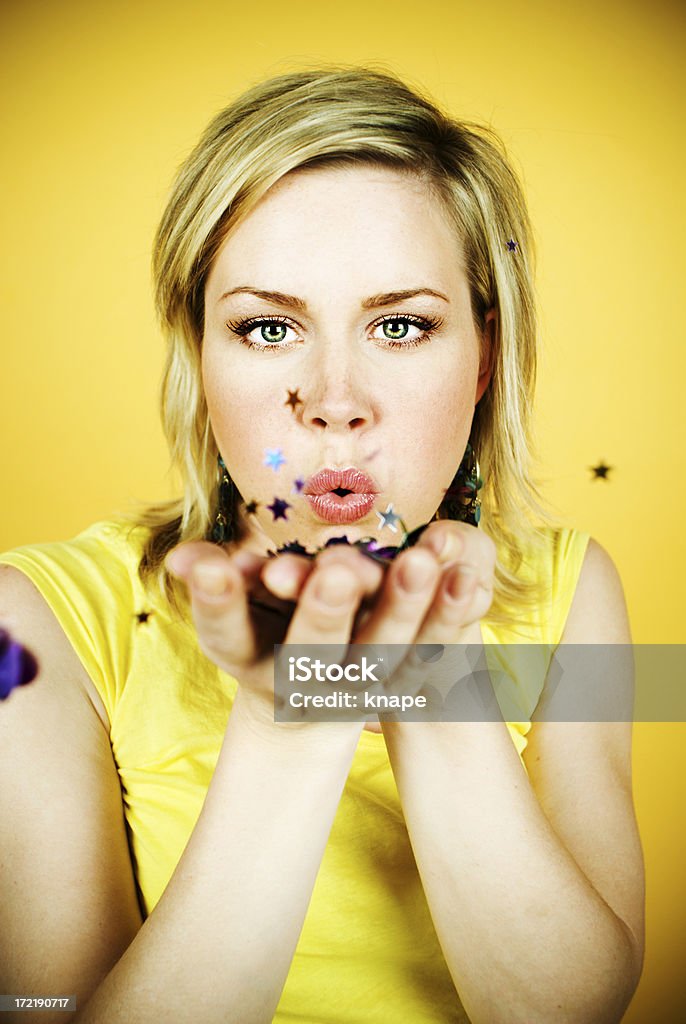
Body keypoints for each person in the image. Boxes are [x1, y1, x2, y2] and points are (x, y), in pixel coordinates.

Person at [0, 66, 645, 1024]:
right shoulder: (40, 618)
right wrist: (287, 720)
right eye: (267, 328)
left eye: (400, 325)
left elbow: (571, 1009)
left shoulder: (571, 589)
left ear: (484, 358)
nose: (335, 400)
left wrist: (431, 689)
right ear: (199, 356)